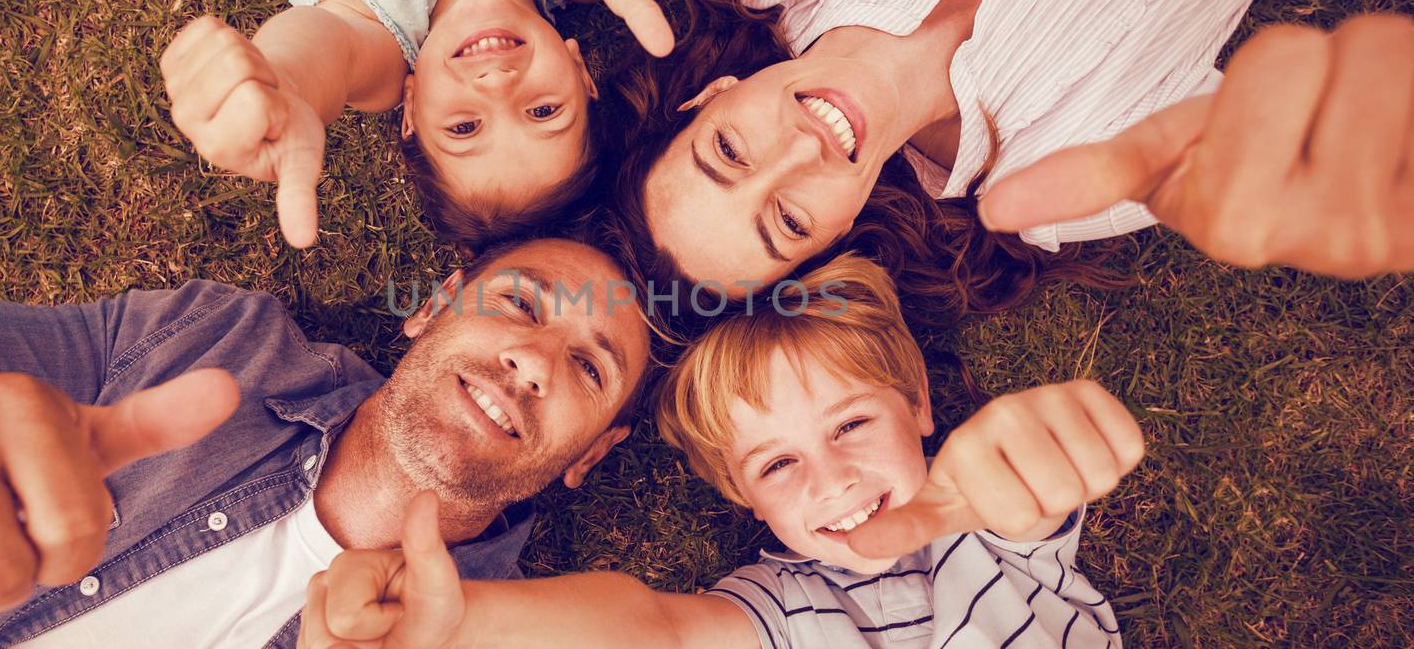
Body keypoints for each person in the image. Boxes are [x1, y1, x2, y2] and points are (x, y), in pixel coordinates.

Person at [0, 237, 654, 648]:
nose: (533, 363)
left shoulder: (500, 638)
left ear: (589, 456)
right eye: (519, 304)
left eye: (588, 368)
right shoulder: (212, 344)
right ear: (432, 307)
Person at [299, 254, 1146, 648]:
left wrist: (1035, 446)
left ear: (918, 399)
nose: (834, 478)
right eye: (778, 465)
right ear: (744, 497)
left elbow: (1027, 487)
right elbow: (653, 628)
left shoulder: (992, 529)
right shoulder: (784, 602)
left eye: (851, 424)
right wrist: (475, 620)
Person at [601, 0, 1414, 328]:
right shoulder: (1067, 172)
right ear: (838, 236)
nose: (798, 155)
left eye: (729, 152)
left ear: (711, 94)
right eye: (787, 220)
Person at [161, 0, 675, 250]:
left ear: (411, 108)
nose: (496, 85)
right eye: (543, 111)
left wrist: (287, 80)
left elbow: (326, 51)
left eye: (464, 127)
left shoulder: (377, 43)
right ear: (582, 74)